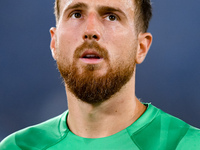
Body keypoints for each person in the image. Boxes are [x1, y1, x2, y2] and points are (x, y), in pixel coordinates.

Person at [1, 0, 200, 149]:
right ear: (54, 43)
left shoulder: (187, 144)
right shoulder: (18, 147)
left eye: (111, 16)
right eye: (76, 14)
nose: (90, 30)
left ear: (141, 47)